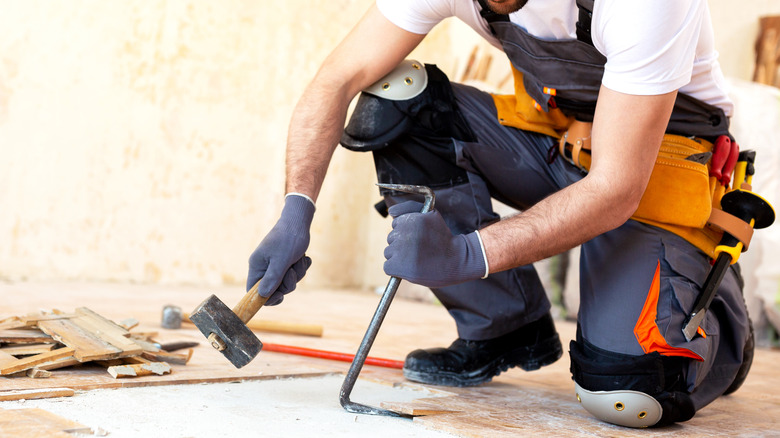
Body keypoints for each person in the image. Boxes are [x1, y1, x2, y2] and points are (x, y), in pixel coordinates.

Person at [246, 0, 763, 428]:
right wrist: (297, 209)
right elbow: (336, 79)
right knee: (393, 99)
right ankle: (504, 326)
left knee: (631, 395)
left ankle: (721, 328)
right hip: (558, 144)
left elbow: (616, 188)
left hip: (655, 172)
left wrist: (469, 253)